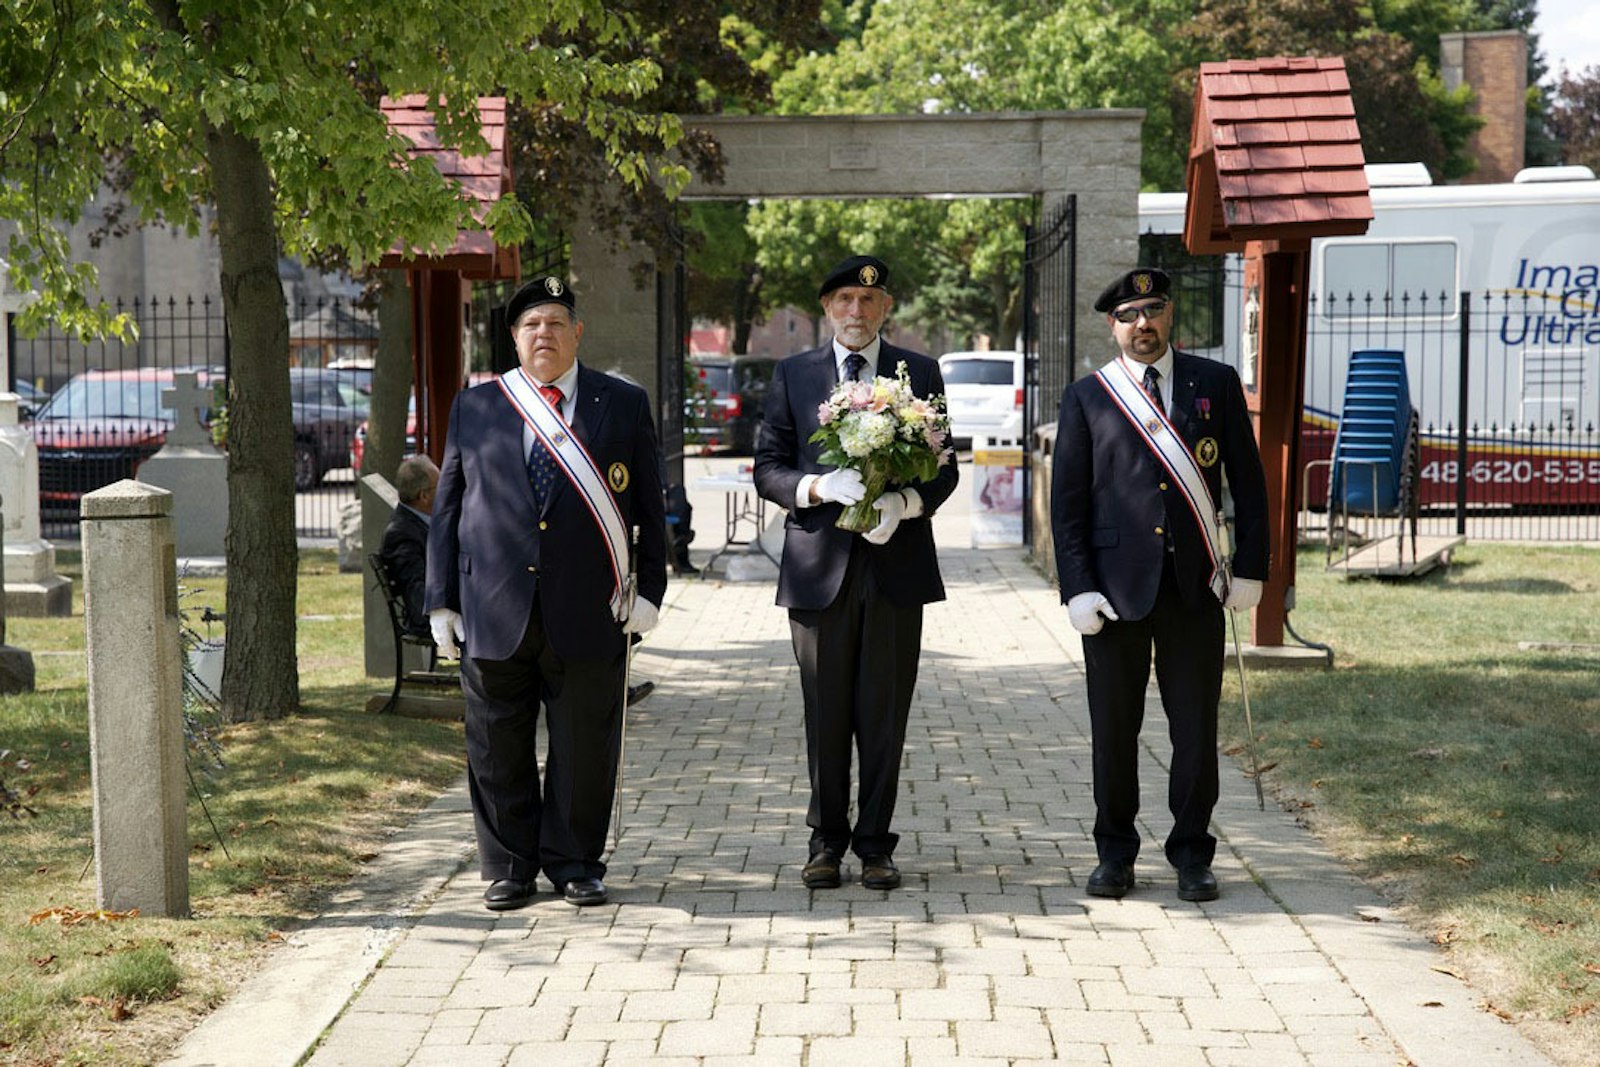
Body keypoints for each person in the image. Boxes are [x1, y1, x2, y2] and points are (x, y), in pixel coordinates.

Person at [424, 275, 668, 911]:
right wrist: (440, 601)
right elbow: (447, 508)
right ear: (513, 337)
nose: (545, 335)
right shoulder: (477, 406)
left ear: (578, 332)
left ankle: (575, 862)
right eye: (532, 325)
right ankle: (509, 866)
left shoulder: (622, 403)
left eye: (557, 323)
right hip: (493, 604)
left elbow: (650, 500)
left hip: (591, 605)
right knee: (495, 743)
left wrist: (654, 593)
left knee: (584, 744)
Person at [1050, 267, 1269, 903]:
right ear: (1112, 326)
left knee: (1195, 730)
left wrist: (1250, 567)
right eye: (1128, 315)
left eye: (1152, 310)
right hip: (1113, 595)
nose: (1141, 325)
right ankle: (1114, 855)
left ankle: (1193, 854)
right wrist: (1077, 587)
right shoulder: (1089, 397)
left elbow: (1249, 485)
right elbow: (1069, 506)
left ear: (1169, 314)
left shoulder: (1215, 383)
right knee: (1114, 730)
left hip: (1193, 586)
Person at [754, 254, 959, 891]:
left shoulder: (918, 373)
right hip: (820, 570)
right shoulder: (793, 373)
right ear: (827, 309)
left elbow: (945, 466)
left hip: (895, 566)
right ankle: (824, 843)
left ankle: (875, 844)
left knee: (883, 712)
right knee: (825, 713)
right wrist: (817, 486)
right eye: (844, 299)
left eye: (869, 301)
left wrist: (902, 504)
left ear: (886, 309)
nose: (856, 311)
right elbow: (766, 468)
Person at [377, 453, 439, 640]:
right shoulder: (402, 534)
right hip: (431, 620)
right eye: (442, 486)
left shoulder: (423, 522)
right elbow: (418, 592)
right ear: (425, 496)